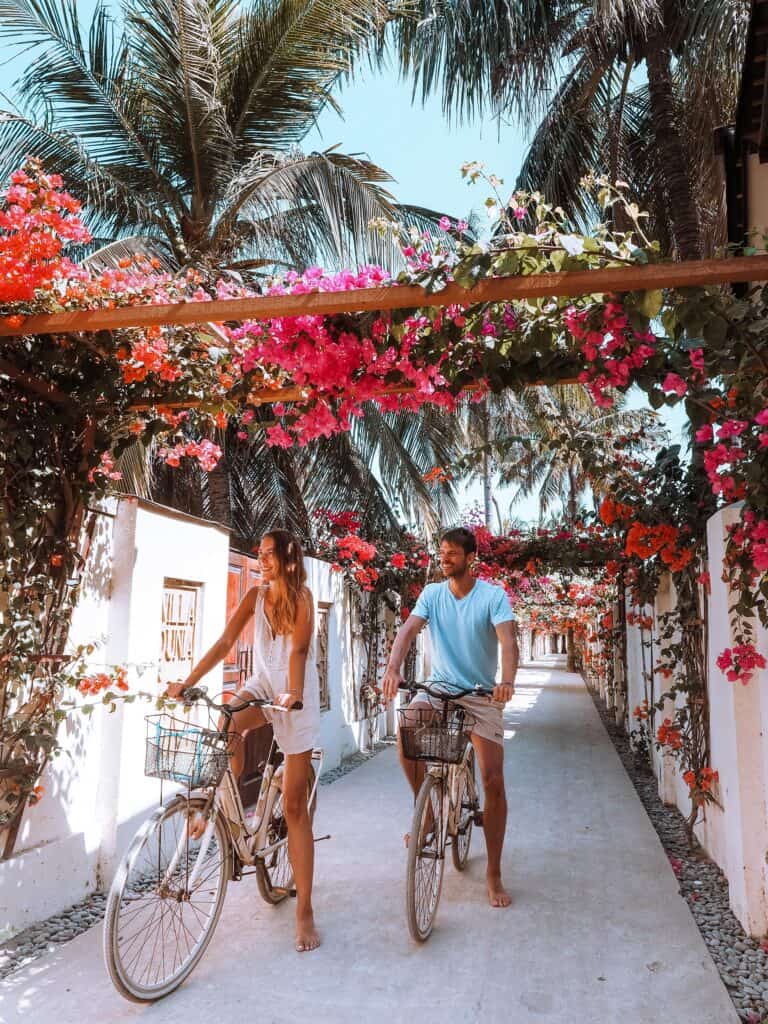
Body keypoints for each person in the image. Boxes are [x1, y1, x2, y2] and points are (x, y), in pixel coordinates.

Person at [165, 529, 321, 953]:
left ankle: (304, 909)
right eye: (260, 553)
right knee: (227, 719)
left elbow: (299, 653)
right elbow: (225, 641)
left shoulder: (303, 599)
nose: (263, 559)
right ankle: (220, 804)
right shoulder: (255, 595)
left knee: (293, 808)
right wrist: (189, 682)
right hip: (263, 683)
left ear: (289, 558)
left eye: (270, 553)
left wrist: (292, 693)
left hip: (296, 698)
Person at [382, 526, 519, 909]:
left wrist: (506, 682)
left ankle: (493, 873)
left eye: (452, 554)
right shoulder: (432, 594)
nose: (444, 559)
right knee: (408, 725)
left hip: (480, 695)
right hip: (441, 688)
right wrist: (393, 668)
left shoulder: (492, 596)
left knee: (492, 778)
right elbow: (407, 632)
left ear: (471, 557)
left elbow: (508, 641)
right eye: (441, 553)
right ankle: (426, 812)